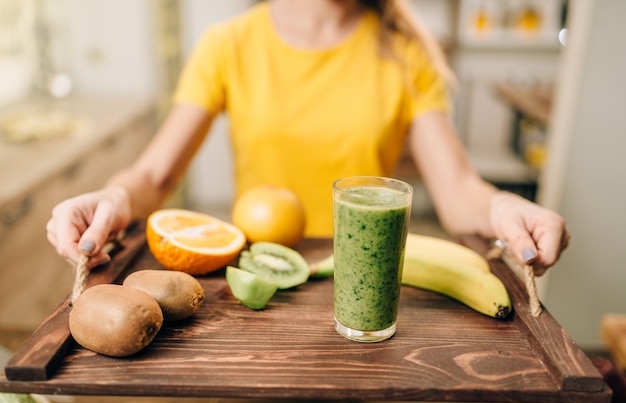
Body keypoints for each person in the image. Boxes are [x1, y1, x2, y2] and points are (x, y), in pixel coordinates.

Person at [46, 0, 569, 277]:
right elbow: (153, 175)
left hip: (369, 279)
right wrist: (113, 198)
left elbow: (457, 193)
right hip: (263, 276)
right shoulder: (228, 44)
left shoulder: (406, 53)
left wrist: (501, 207)